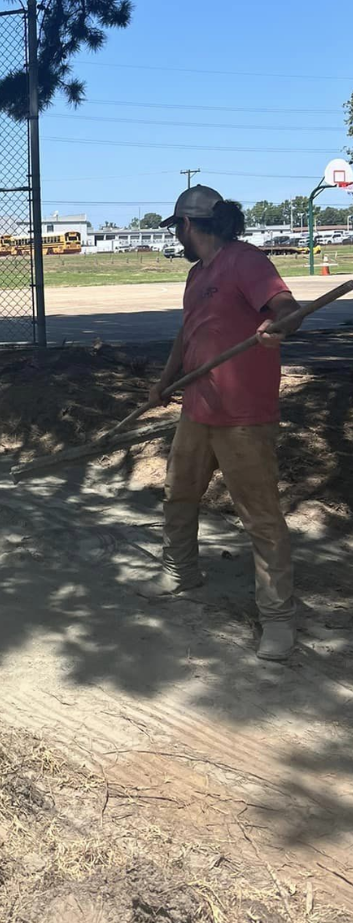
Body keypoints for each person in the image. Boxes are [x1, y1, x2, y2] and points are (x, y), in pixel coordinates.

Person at [139, 185, 306, 661]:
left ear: (189, 226)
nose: (178, 238)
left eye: (178, 230)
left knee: (260, 517)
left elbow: (289, 310)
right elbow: (187, 333)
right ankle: (181, 572)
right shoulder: (197, 275)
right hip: (197, 407)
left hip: (244, 416)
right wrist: (164, 382)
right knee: (179, 493)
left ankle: (277, 618)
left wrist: (278, 328)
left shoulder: (246, 262)